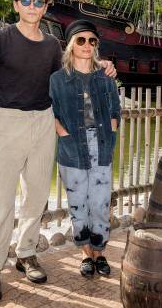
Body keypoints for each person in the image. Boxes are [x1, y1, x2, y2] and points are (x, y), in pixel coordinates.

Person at [0, 0, 116, 303]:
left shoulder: (53, 45)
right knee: (2, 200)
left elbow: (73, 72)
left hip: (43, 122)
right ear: (15, 5)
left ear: (46, 7)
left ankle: (26, 254)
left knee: (37, 196)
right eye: (26, 1)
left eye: (38, 3)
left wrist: (102, 65)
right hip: (8, 122)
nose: (32, 8)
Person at [49, 20, 121, 278]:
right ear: (70, 45)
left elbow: (115, 109)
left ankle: (100, 252)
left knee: (100, 203)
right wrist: (62, 132)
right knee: (78, 203)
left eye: (92, 41)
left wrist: (112, 127)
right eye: (81, 40)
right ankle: (84, 255)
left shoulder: (105, 76)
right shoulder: (58, 79)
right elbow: (51, 111)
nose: (87, 45)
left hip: (101, 144)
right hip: (71, 147)